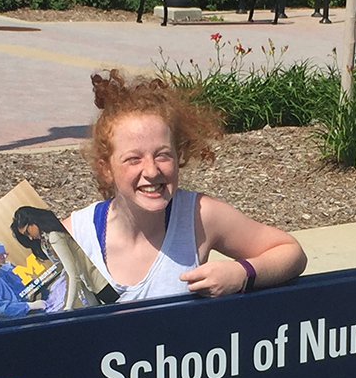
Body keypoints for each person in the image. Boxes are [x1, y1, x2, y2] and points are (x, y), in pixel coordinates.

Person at [63, 71, 306, 301]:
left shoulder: (200, 217)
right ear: (106, 168)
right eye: (133, 159)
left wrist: (242, 274)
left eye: (163, 155)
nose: (151, 170)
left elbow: (290, 252)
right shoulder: (74, 236)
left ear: (179, 155)